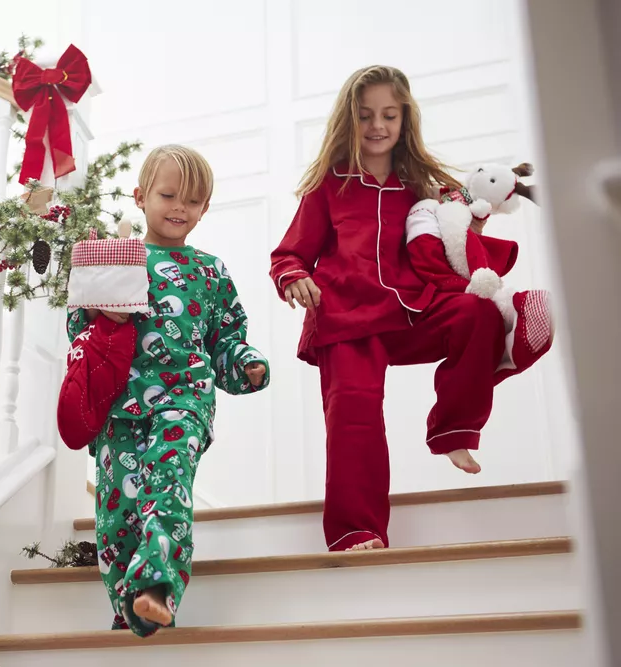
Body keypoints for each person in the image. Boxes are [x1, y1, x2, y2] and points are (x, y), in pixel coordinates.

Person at [268, 65, 553, 553]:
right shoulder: (328, 188)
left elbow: (456, 229)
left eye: (389, 115)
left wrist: (480, 220)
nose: (377, 125)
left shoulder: (422, 184)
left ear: (404, 121)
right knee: (353, 420)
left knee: (476, 313)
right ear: (348, 121)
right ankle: (356, 532)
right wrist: (294, 278)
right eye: (365, 116)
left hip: (410, 309)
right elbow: (289, 253)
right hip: (345, 320)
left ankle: (455, 426)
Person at [68, 144, 270, 636]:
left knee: (168, 486)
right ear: (140, 197)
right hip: (119, 405)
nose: (180, 207)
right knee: (116, 513)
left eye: (193, 201)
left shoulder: (210, 271)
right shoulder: (118, 256)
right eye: (168, 195)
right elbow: (79, 327)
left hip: (183, 402)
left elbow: (226, 336)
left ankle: (156, 586)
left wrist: (245, 364)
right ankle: (128, 606)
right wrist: (99, 314)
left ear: (204, 210)